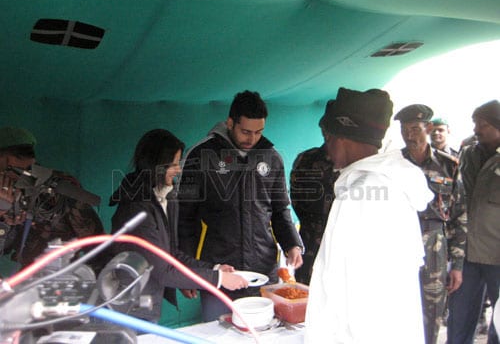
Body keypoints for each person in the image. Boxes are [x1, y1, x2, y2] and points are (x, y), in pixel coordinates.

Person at [304, 87, 432, 344]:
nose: (327, 150)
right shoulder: (387, 183)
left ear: (341, 138)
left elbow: (354, 291)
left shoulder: (362, 194)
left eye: (328, 139)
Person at [177, 90, 304, 322]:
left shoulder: (272, 158)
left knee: (262, 334)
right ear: (230, 123)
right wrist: (189, 273)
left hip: (263, 272)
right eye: (245, 131)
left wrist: (292, 244)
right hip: (219, 270)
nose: (252, 138)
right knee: (217, 336)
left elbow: (280, 211)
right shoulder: (201, 155)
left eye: (258, 132)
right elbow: (185, 218)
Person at [108, 129, 249, 322]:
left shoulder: (168, 197)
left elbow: (172, 253)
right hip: (128, 306)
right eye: (173, 164)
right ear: (156, 165)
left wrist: (215, 268)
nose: (178, 169)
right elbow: (162, 270)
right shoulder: (136, 208)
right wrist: (218, 279)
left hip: (149, 301)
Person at [394, 104, 467, 344]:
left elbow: (459, 216)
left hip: (434, 247)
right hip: (398, 244)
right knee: (397, 306)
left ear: (428, 128)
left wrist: (456, 264)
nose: (409, 134)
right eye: (405, 129)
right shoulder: (391, 165)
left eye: (415, 128)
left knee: (432, 311)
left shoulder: (449, 165)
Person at [0, 126, 104, 272]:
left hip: (64, 277)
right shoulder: (5, 190)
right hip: (25, 279)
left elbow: (96, 245)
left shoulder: (60, 188)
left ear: (7, 160)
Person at [447, 99, 500, 344]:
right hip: (465, 255)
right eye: (475, 123)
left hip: (496, 254)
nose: (477, 129)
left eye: (484, 124)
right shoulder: (468, 153)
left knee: (498, 325)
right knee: (459, 319)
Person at [290, 100, 338, 285]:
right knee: (306, 300)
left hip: (342, 247)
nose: (327, 134)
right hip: (310, 246)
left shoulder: (355, 165)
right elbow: (296, 201)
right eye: (325, 128)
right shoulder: (306, 160)